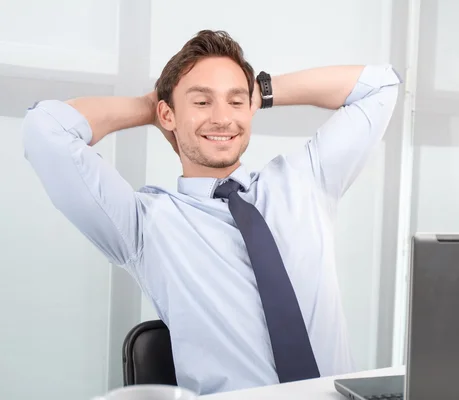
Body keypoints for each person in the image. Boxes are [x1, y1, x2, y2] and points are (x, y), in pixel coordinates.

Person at [21, 30, 401, 395]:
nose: (223, 118)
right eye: (202, 102)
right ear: (168, 115)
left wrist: (262, 91)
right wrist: (147, 107)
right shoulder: (145, 225)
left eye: (235, 102)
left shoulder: (305, 181)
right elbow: (46, 130)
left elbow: (381, 86)